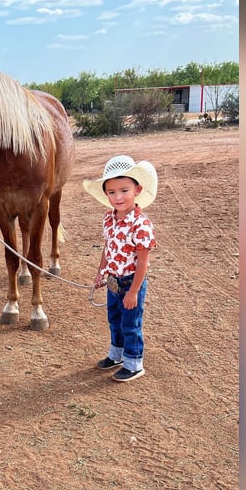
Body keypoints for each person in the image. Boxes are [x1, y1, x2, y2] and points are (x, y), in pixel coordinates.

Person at [83, 155, 158, 382]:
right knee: (114, 319)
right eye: (112, 192)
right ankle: (116, 355)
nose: (118, 197)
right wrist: (101, 273)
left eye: (124, 190)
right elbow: (108, 247)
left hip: (130, 282)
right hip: (113, 281)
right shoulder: (109, 219)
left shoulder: (141, 223)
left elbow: (143, 261)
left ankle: (134, 363)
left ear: (138, 189)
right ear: (106, 194)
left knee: (130, 323)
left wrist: (134, 291)